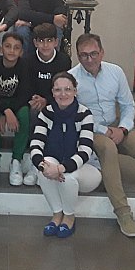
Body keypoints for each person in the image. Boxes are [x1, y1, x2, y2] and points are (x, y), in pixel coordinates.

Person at [69, 33, 135, 237]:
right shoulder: (72, 78)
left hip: (117, 126)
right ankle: (122, 212)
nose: (89, 59)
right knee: (108, 149)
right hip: (90, 129)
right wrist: (105, 131)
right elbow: (75, 114)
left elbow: (128, 105)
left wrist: (123, 129)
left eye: (93, 54)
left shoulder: (116, 72)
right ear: (78, 56)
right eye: (84, 55)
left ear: (102, 53)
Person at [30, 72, 102, 238]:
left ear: (75, 91)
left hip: (87, 169)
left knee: (68, 176)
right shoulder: (46, 113)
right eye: (58, 90)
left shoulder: (84, 114)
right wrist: (43, 166)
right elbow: (36, 144)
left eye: (68, 89)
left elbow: (85, 150)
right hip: (57, 162)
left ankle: (69, 216)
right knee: (43, 167)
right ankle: (57, 214)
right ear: (53, 92)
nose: (63, 94)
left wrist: (61, 168)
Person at [24, 23, 72, 186]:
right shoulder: (28, 60)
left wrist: (47, 100)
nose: (45, 45)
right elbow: (27, 85)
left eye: (49, 41)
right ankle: (34, 157)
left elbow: (64, 87)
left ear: (56, 42)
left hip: (56, 101)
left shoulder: (63, 60)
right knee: (34, 112)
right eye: (41, 41)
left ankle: (51, 156)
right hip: (35, 101)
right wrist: (36, 99)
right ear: (35, 42)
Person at [0, 32, 31, 186]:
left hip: (16, 103)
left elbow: (24, 94)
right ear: (1, 48)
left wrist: (8, 112)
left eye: (16, 48)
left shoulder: (24, 66)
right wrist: (5, 112)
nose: (12, 51)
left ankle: (16, 160)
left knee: (24, 114)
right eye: (8, 46)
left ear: (21, 52)